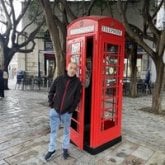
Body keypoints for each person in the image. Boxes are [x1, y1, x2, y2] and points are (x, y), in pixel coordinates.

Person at [45, 62, 82, 161]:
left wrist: (71, 109)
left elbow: (77, 98)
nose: (73, 70)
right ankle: (51, 149)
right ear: (67, 68)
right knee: (53, 131)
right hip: (55, 110)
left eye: (75, 68)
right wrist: (51, 104)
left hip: (67, 112)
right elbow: (51, 91)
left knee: (66, 131)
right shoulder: (59, 79)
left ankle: (65, 149)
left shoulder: (77, 82)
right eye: (71, 68)